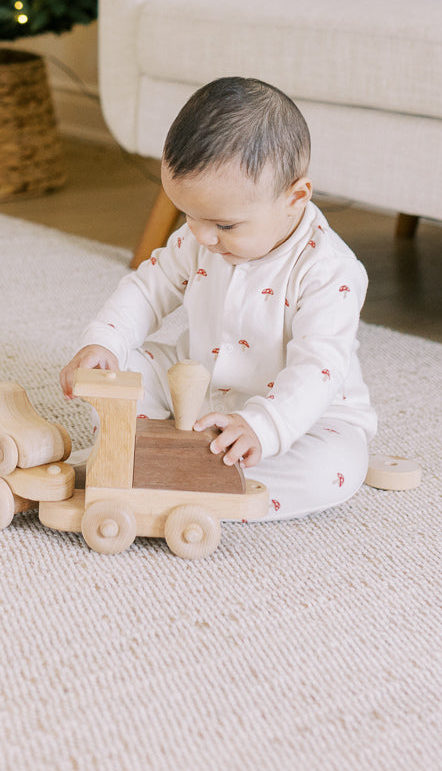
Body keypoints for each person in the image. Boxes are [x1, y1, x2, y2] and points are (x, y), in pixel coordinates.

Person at [60, 77, 376, 521]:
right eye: (190, 216)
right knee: (121, 374)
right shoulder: (200, 237)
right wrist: (104, 344)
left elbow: (317, 368)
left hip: (302, 418)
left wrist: (265, 428)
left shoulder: (330, 272)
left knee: (336, 465)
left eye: (225, 226)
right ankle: (143, 458)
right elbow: (147, 290)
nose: (204, 237)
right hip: (196, 388)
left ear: (295, 197)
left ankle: (183, 476)